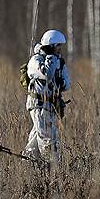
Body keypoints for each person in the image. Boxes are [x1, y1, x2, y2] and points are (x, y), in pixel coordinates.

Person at [24, 29, 71, 164]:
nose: (60, 50)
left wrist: (61, 82)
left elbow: (67, 83)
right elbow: (47, 74)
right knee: (47, 139)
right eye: (58, 47)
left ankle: (27, 164)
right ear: (51, 46)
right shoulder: (35, 60)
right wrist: (50, 57)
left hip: (51, 106)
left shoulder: (59, 62)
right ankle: (51, 166)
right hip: (39, 105)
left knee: (36, 138)